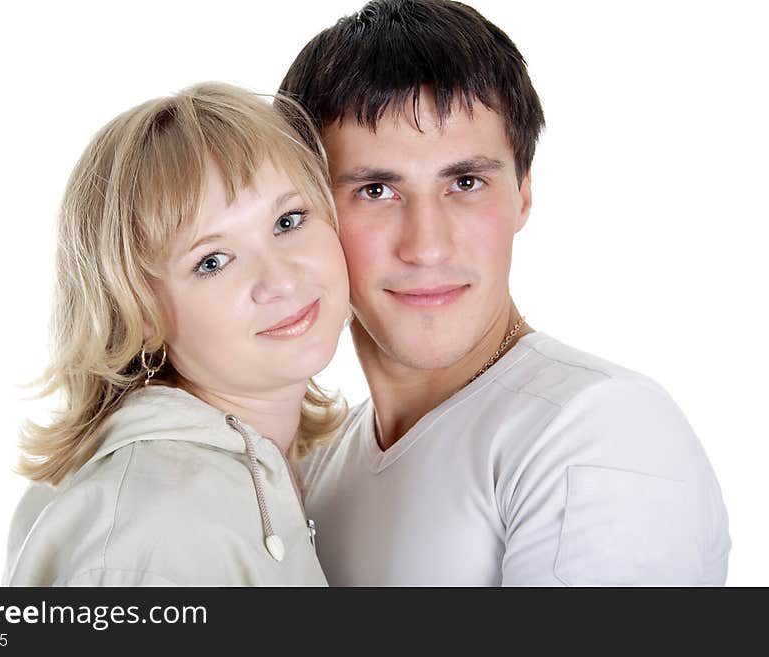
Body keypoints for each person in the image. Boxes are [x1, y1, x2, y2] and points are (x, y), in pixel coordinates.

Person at [278, 0, 731, 585]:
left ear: (523, 194)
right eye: (375, 190)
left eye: (466, 182)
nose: (427, 246)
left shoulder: (599, 432)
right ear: (308, 212)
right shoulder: (314, 462)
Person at [3, 83, 350, 586]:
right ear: (140, 314)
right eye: (212, 260)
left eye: (288, 220)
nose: (282, 279)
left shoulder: (286, 467)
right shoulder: (154, 533)